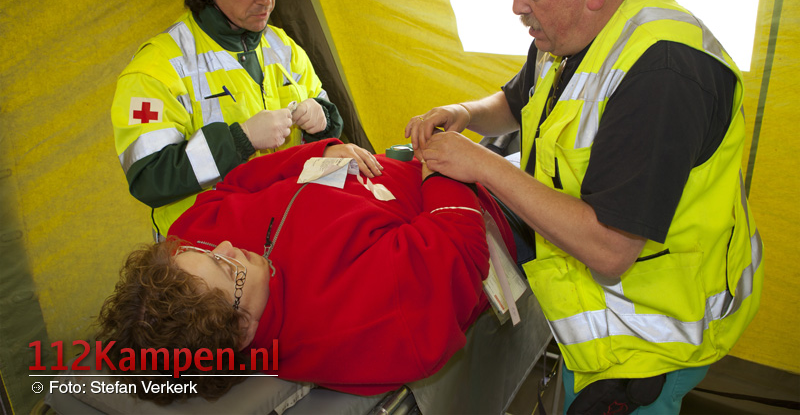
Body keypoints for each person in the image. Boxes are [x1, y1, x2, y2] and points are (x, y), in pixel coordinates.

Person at [405, 0, 763, 413]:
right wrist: (466, 113)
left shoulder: (663, 75)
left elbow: (611, 250)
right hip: (594, 321)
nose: (516, 6)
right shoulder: (566, 33)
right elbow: (519, 99)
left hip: (651, 340)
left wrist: (481, 163)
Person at [96, 139, 516, 403]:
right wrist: (444, 169)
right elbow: (457, 250)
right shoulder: (354, 325)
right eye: (225, 267)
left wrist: (317, 156)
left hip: (407, 162)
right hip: (487, 200)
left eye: (202, 252)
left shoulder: (190, 245)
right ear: (241, 330)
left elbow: (235, 186)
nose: (226, 247)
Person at [111, 0, 344, 239]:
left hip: (279, 235)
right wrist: (240, 140)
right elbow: (149, 178)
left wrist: (322, 121)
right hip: (202, 251)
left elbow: (324, 129)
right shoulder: (156, 69)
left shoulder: (283, 46)